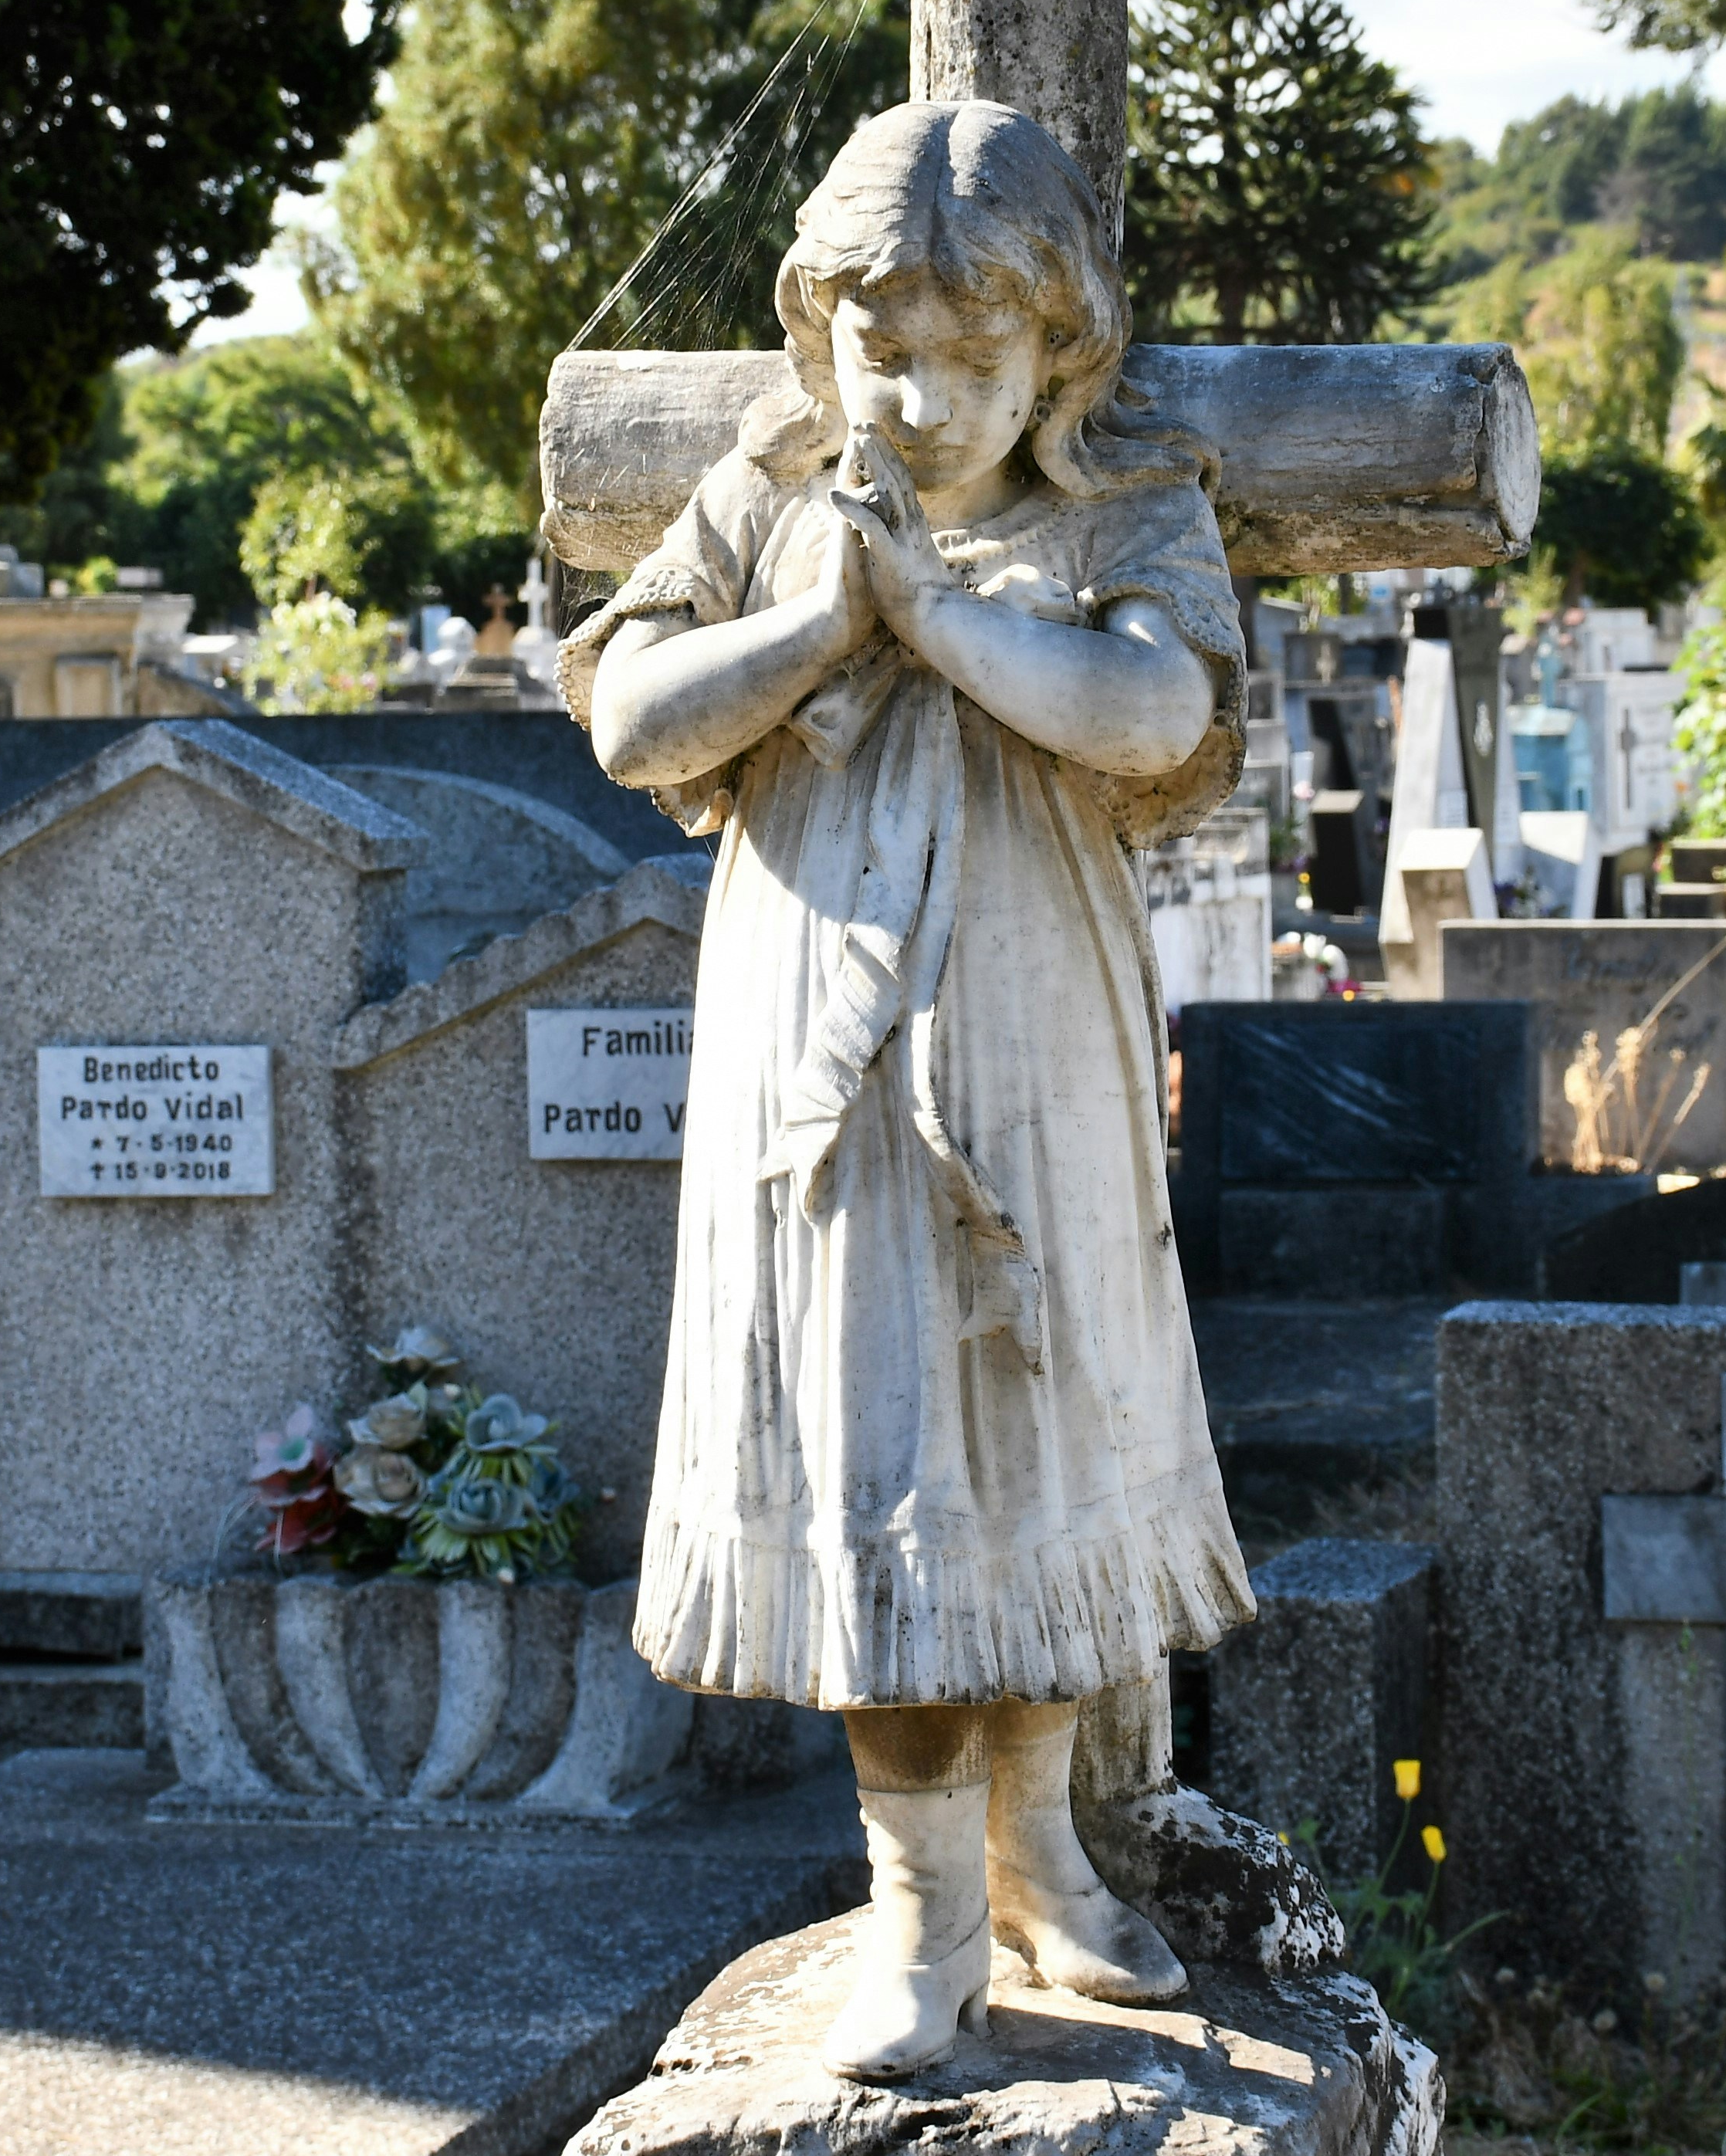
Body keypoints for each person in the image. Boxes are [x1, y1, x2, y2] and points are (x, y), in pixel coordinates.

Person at [567, 100, 1253, 2079]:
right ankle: (917, 1919)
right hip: (819, 1045)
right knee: (878, 1445)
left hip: (1035, 1033)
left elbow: (1156, 714)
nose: (930, 394)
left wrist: (942, 618)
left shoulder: (1121, 507)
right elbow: (628, 718)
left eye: (978, 356)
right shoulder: (772, 497)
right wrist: (821, 619)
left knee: (1029, 1416)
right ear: (819, 335)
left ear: (1062, 357)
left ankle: (1041, 1858)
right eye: (888, 351)